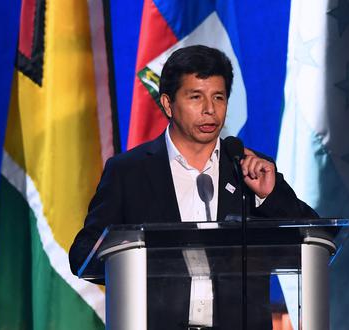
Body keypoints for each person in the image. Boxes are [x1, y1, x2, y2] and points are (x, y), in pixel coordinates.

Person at [69, 45, 318, 330]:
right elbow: (82, 253)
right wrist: (133, 260)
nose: (210, 110)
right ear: (167, 104)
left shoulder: (249, 168)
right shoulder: (129, 171)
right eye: (196, 97)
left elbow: (313, 242)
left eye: (219, 97)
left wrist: (270, 195)